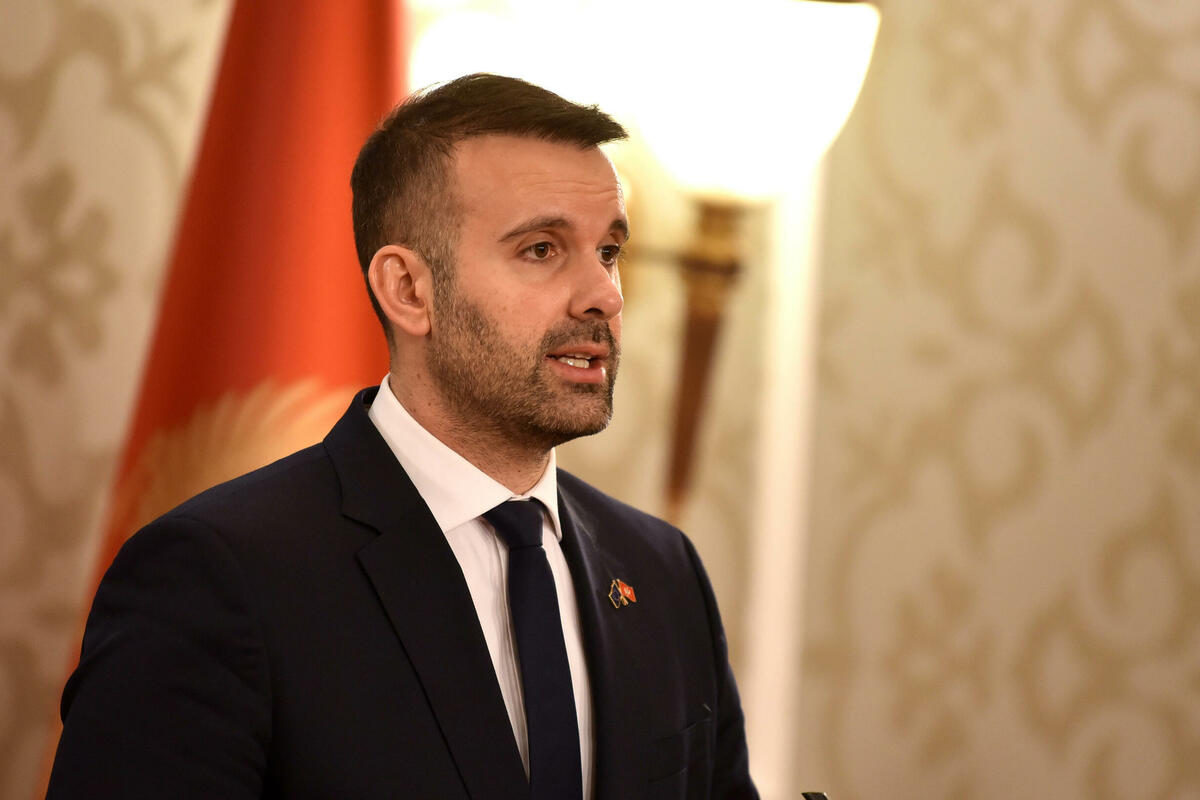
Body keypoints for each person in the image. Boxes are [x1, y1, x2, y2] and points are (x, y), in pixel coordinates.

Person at [47, 73, 757, 800]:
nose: (605, 294)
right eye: (542, 249)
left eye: (607, 250)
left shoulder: (663, 572)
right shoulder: (216, 577)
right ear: (409, 290)